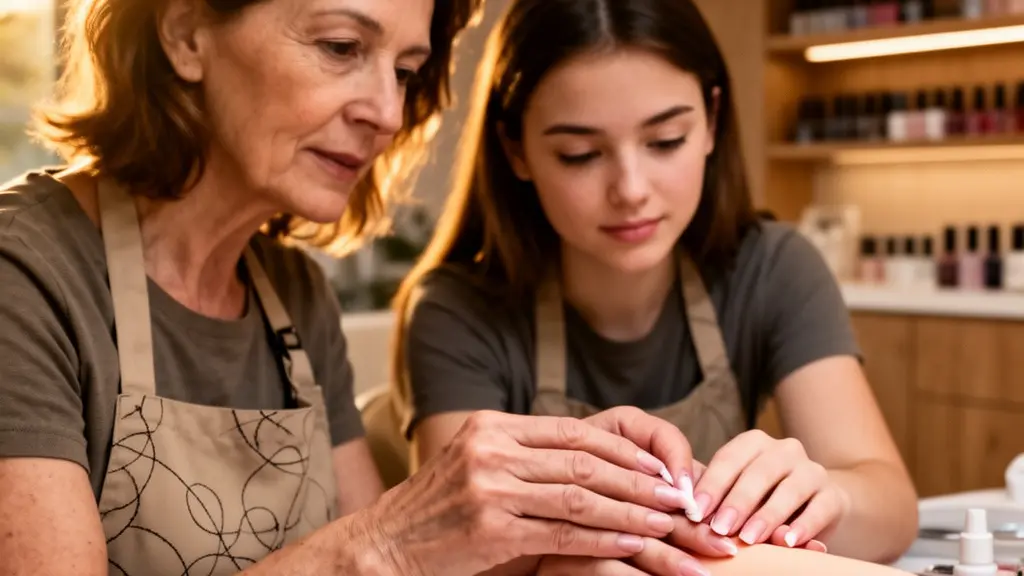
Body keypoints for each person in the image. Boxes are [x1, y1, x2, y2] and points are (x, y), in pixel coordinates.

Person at [0, 1, 778, 575]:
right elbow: (379, 549)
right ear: (184, 31)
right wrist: (381, 541)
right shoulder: (26, 274)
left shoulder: (292, 296)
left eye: (405, 71)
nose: (386, 112)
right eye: (341, 47)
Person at [389, 0, 920, 567]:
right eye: (581, 154)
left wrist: (827, 497)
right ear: (516, 149)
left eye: (665, 141)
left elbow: (892, 509)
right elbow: (457, 554)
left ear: (712, 121)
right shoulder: (456, 311)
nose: (631, 189)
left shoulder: (773, 267)